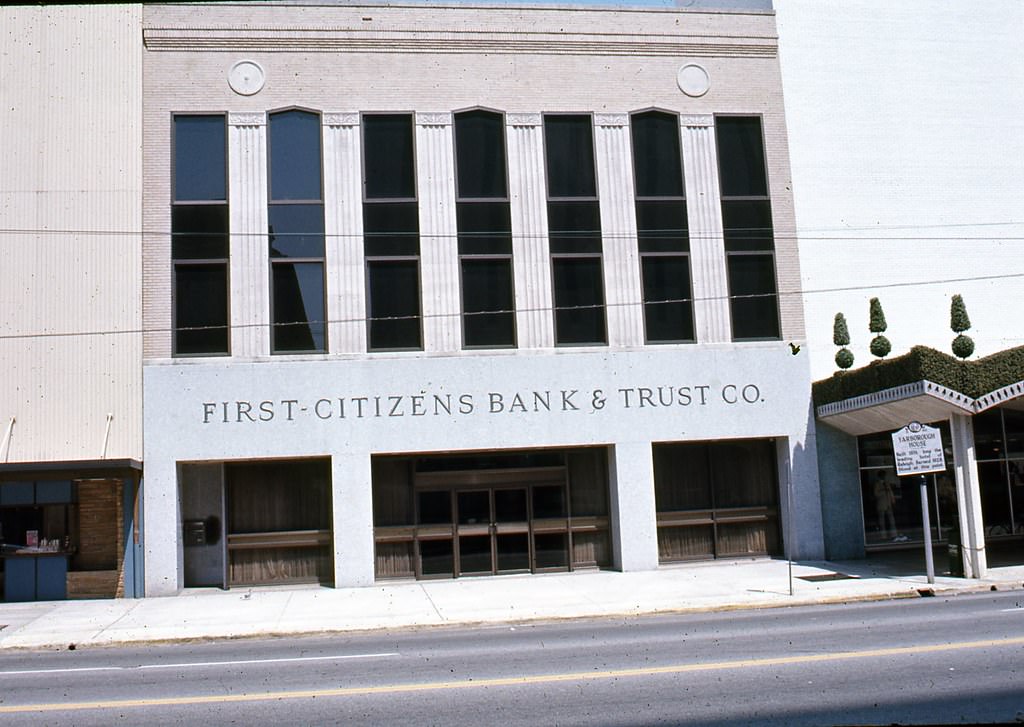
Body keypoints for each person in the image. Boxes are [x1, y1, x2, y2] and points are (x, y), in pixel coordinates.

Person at [873, 471, 897, 540]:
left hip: (888, 504)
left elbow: (890, 492)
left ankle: (893, 534)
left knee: (891, 520)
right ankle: (883, 536)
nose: (883, 476)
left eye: (884, 475)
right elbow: (876, 494)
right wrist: (883, 491)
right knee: (882, 521)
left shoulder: (887, 483)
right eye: (882, 475)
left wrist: (893, 500)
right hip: (881, 504)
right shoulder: (877, 484)